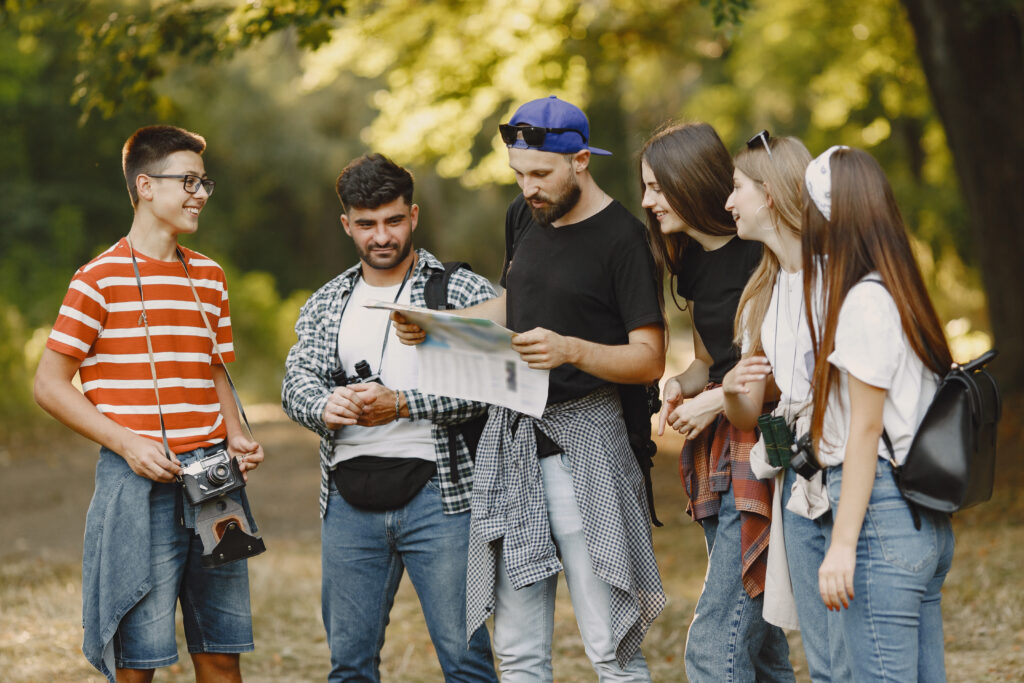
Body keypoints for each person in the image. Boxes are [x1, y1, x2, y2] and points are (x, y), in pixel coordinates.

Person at [394, 95, 667, 680]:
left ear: (581, 160)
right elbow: (515, 302)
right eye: (518, 175)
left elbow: (650, 359)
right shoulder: (525, 216)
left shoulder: (624, 239)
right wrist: (444, 329)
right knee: (516, 649)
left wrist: (571, 350)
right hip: (515, 444)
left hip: (586, 448)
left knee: (608, 643)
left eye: (540, 174)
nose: (528, 188)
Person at [33, 125, 264, 683]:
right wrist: (128, 443)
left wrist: (236, 431)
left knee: (221, 651)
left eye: (204, 182)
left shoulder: (208, 276)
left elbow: (213, 367)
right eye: (187, 181)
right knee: (138, 660)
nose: (200, 193)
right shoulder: (97, 280)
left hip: (215, 487)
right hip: (138, 486)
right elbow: (49, 384)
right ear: (144, 186)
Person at [281, 153, 499, 681]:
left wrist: (402, 403)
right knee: (349, 668)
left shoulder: (462, 292)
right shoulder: (327, 300)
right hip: (347, 502)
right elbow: (296, 381)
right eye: (366, 224)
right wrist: (324, 405)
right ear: (346, 224)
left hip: (443, 500)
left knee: (467, 665)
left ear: (414, 216)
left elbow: (497, 386)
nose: (382, 236)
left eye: (393, 221)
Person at [639, 122, 794, 682]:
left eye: (657, 187)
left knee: (715, 644)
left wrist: (712, 404)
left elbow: (779, 369)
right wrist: (682, 383)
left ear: (690, 182)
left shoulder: (762, 253)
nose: (647, 201)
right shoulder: (694, 262)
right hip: (723, 457)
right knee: (759, 643)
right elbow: (710, 360)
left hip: (766, 452)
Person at [799, 145, 955, 681]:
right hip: (922, 519)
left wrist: (842, 547)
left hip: (881, 521)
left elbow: (865, 430)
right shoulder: (902, 290)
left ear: (830, 219)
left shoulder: (863, 303)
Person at [719, 132, 852, 681]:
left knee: (854, 645)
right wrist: (728, 390)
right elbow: (748, 414)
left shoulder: (839, 278)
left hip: (846, 470)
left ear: (769, 195)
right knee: (820, 656)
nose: (729, 202)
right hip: (796, 482)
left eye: (737, 188)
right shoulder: (763, 292)